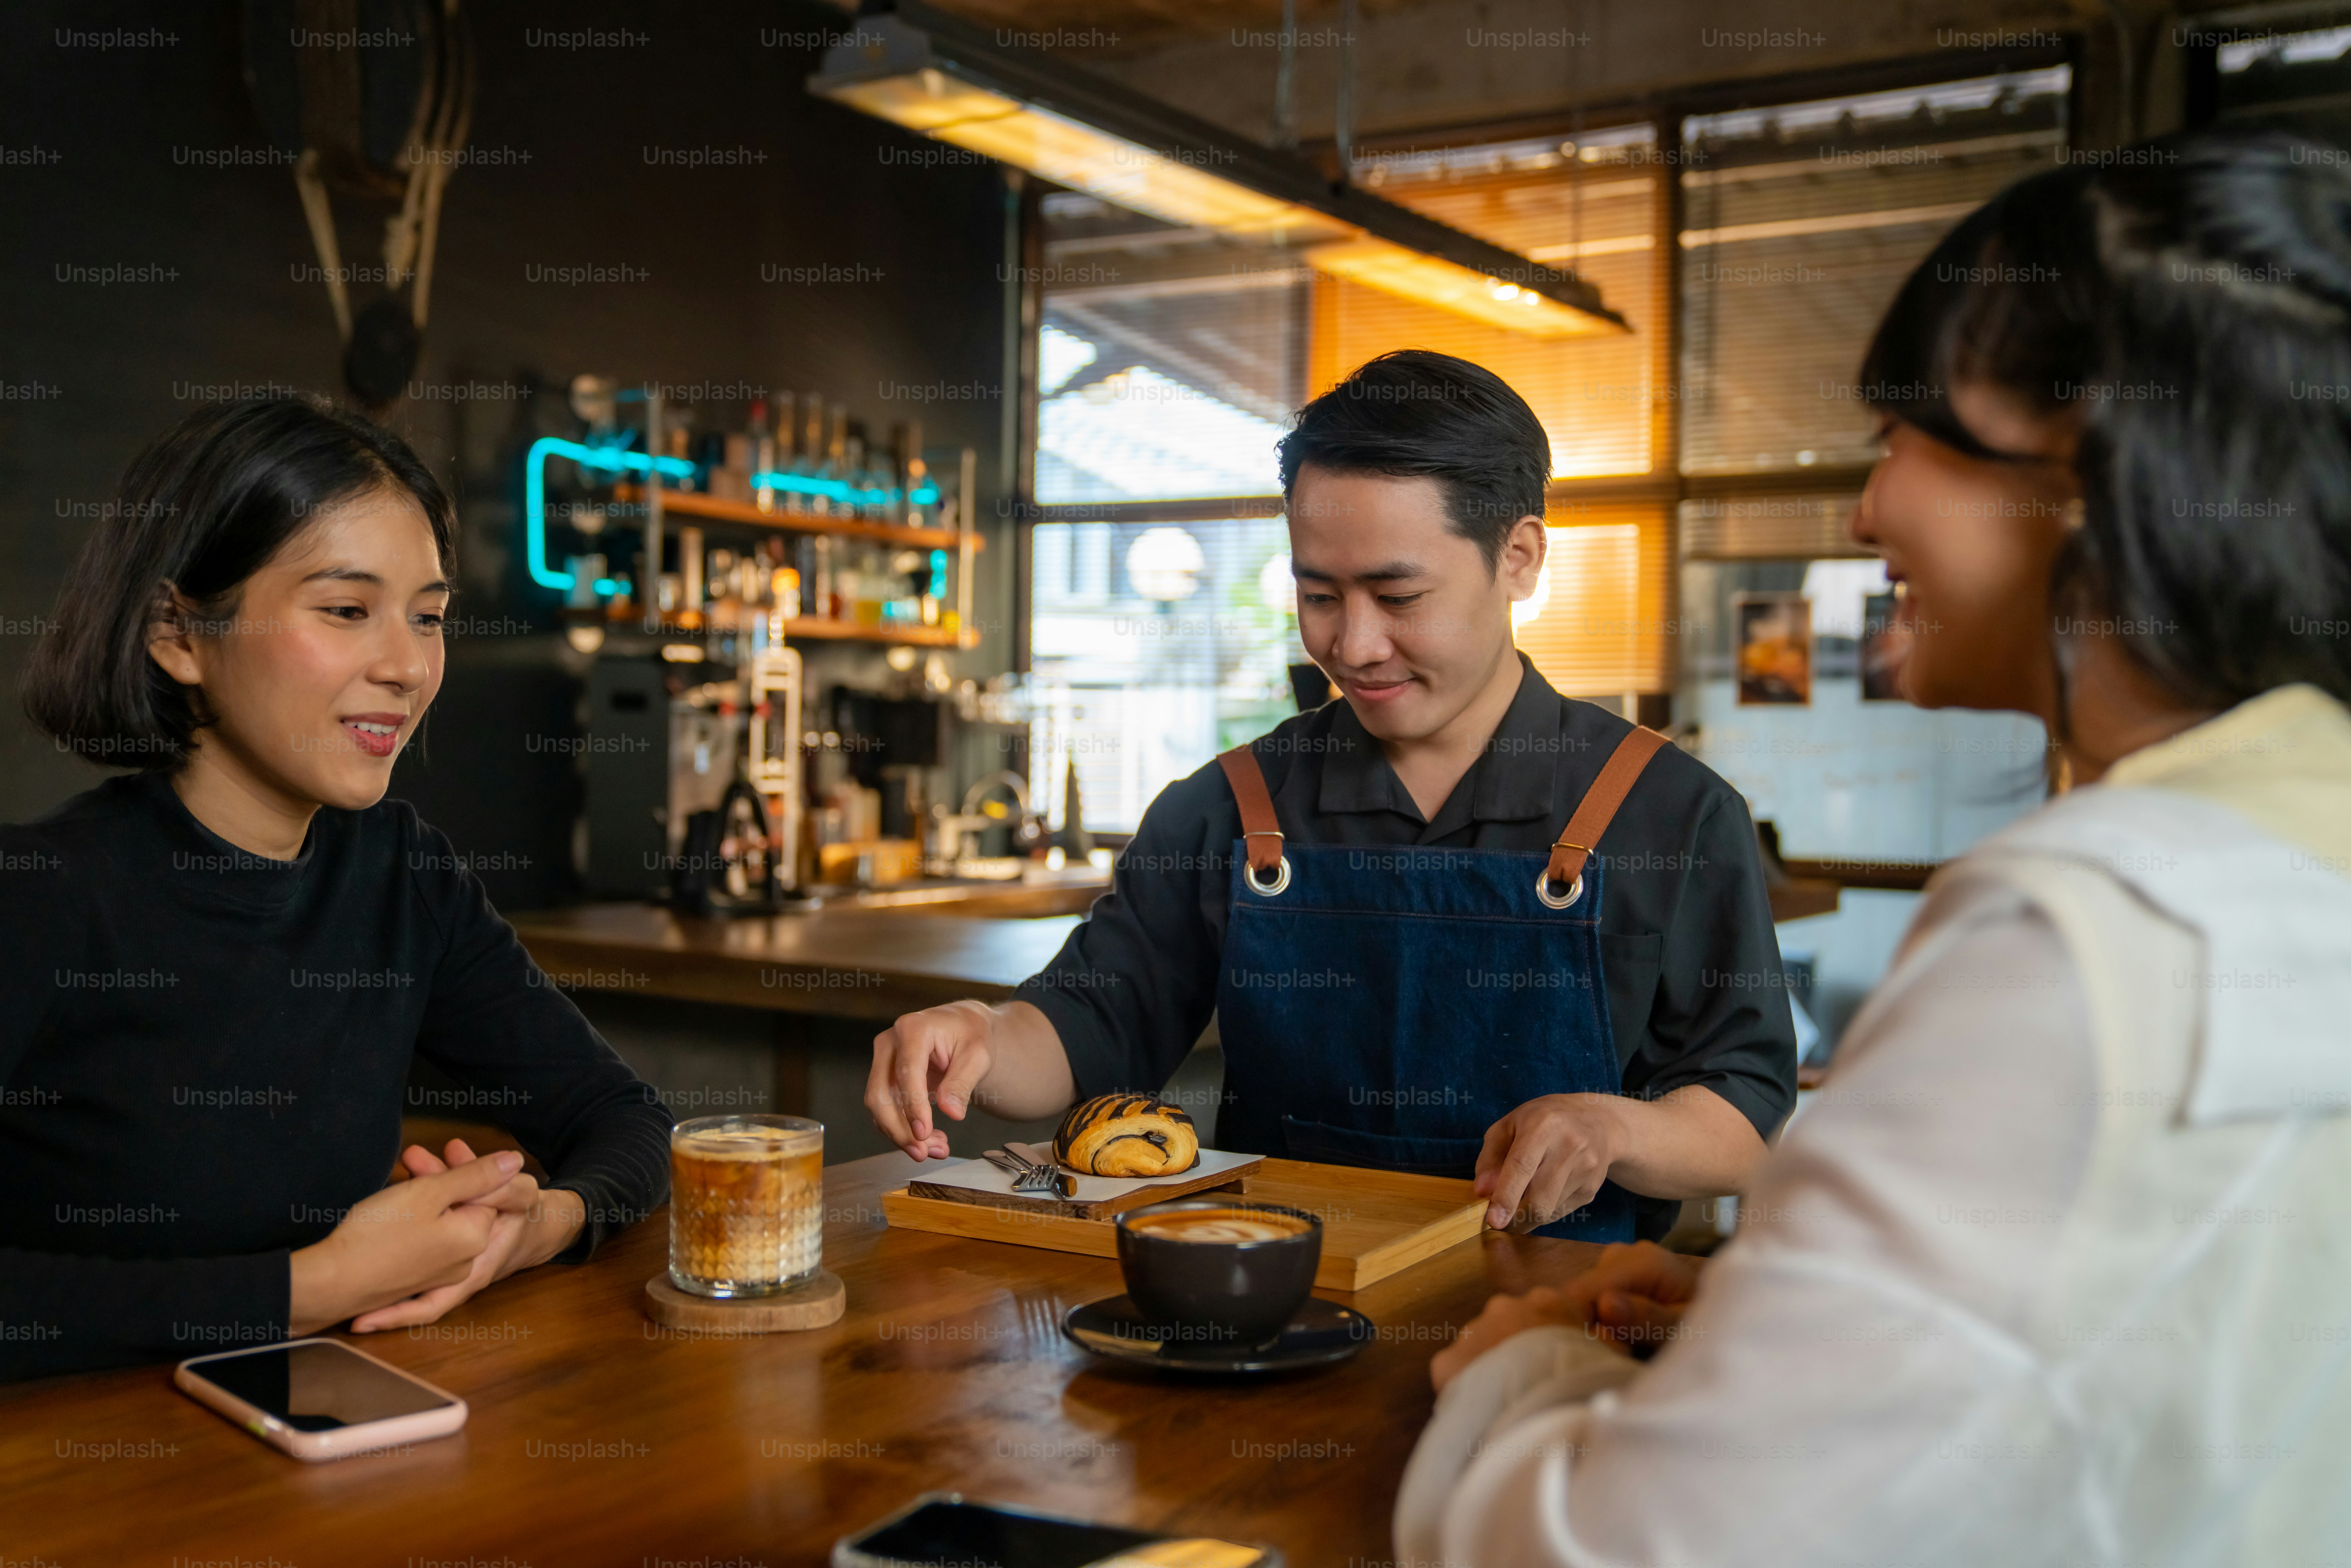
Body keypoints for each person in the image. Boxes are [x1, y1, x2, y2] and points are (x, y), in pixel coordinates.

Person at [1395, 127, 2351, 1564]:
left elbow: (1643, 1544)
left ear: (2088, 470)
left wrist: (1527, 1370)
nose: (1864, 508)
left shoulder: (2081, 931)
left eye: (1903, 439)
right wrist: (1778, 1320)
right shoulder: (2293, 837)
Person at [867, 351, 1796, 1241]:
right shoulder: (1229, 806)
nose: (1351, 646)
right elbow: (1087, 1025)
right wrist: (979, 1034)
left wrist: (1618, 1130)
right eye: (1319, 594)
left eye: (1397, 596)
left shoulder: (1668, 812)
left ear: (1517, 557)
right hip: (1270, 1312)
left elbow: (1744, 1113)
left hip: (1551, 1340)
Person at [0, 398, 673, 1381]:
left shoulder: (401, 873)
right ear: (178, 633)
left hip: (318, 1447)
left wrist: (536, 1229)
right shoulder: (43, 896)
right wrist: (309, 1287)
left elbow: (623, 1116)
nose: (407, 665)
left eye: (430, 617)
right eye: (347, 609)